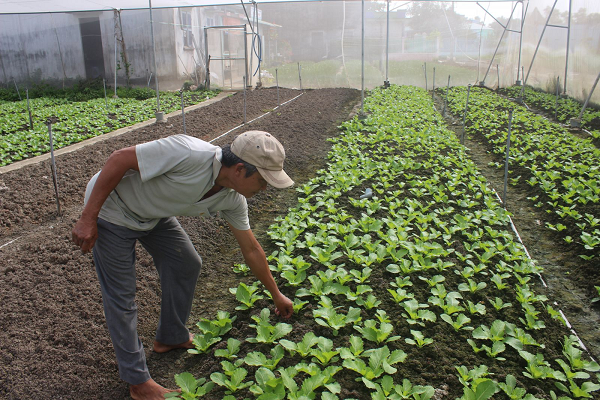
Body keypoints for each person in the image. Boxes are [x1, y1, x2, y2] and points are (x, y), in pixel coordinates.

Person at [71, 130, 295, 400]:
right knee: (121, 295)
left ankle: (170, 336)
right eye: (262, 181)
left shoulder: (232, 198)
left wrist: (276, 294)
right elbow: (119, 159)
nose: (264, 189)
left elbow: (252, 250)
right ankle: (137, 381)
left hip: (152, 213)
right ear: (239, 169)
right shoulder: (189, 153)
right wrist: (88, 217)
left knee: (186, 262)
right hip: (112, 209)